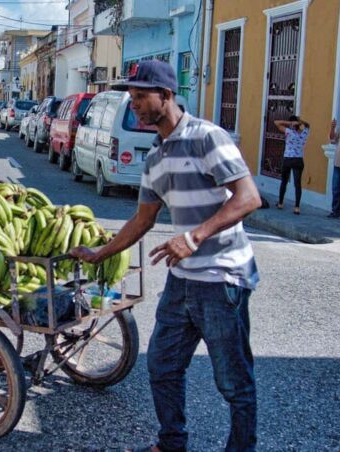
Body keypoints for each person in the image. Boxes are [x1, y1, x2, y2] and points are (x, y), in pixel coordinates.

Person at [70, 60, 261, 452]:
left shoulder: (208, 137)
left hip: (223, 279)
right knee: (162, 365)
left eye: (141, 96)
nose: (134, 104)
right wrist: (100, 252)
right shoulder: (155, 158)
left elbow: (249, 198)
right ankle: (172, 443)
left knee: (233, 381)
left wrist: (194, 236)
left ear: (167, 96)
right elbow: (143, 218)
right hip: (184, 279)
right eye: (132, 97)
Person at [274, 115, 310, 215]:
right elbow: (308, 125)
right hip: (299, 160)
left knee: (284, 182)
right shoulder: (304, 133)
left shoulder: (288, 132)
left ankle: (280, 203)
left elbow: (276, 122)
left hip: (288, 159)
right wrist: (300, 121)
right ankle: (297, 207)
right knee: (297, 184)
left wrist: (289, 123)